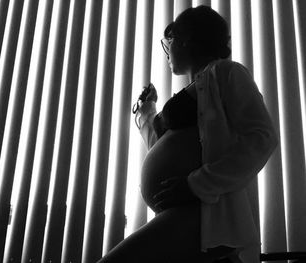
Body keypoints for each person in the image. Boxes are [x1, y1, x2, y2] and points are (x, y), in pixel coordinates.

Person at [97, 5, 278, 263]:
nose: (167, 51)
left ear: (185, 39)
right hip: (182, 211)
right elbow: (161, 147)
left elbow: (262, 137)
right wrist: (148, 113)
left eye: (168, 42)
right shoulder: (196, 91)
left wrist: (196, 184)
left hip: (202, 213)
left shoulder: (226, 72)